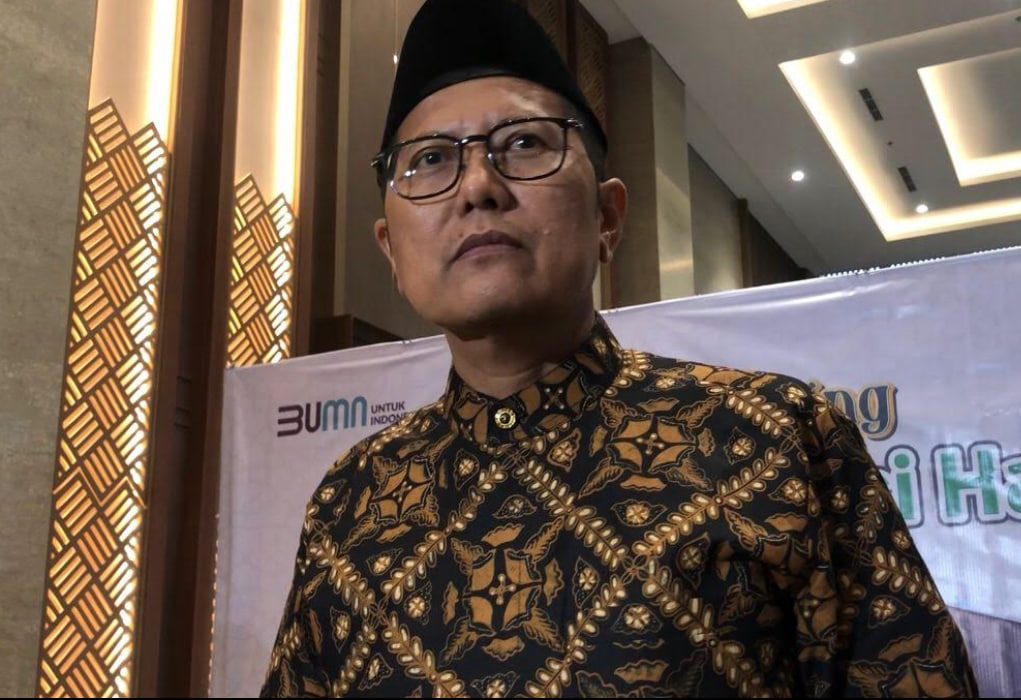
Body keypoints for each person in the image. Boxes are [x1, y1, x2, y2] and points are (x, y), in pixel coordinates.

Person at [261, 0, 976, 696]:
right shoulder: (351, 498)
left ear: (607, 216)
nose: (477, 185)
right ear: (391, 250)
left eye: (524, 144)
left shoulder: (774, 436)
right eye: (428, 159)